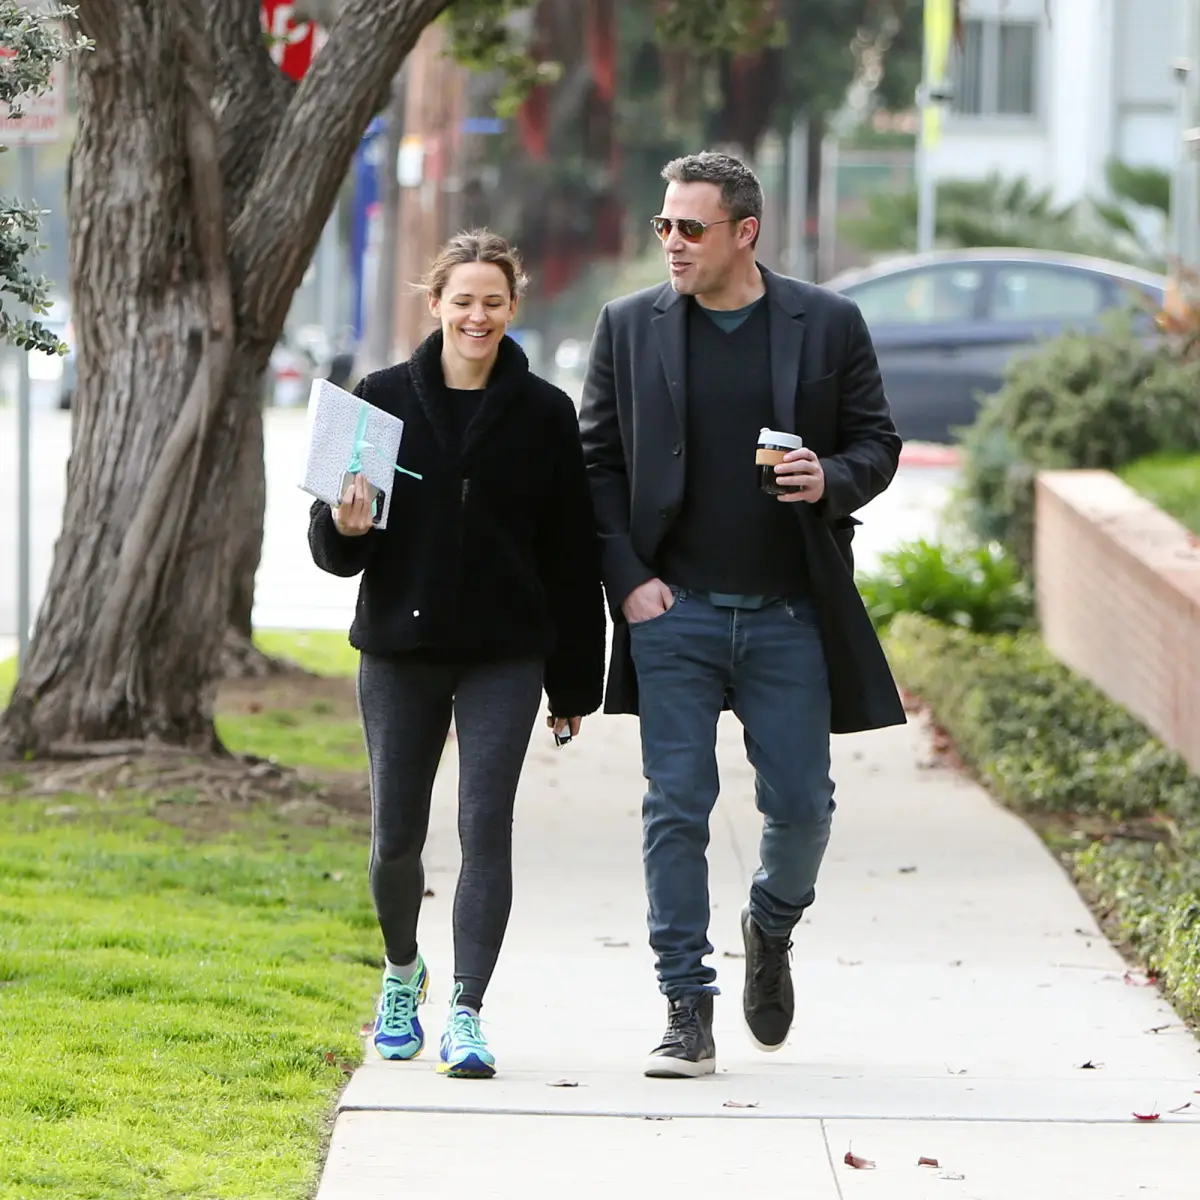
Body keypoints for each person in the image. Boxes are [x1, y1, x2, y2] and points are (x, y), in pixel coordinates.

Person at [578, 151, 906, 1078]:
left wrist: (829, 477)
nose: (673, 243)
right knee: (675, 809)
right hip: (673, 614)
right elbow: (596, 464)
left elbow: (877, 442)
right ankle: (686, 1006)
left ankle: (771, 922)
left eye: (692, 227)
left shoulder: (827, 323)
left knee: (802, 805)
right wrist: (628, 582)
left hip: (789, 614)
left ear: (745, 232)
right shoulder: (628, 326)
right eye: (664, 225)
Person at [309, 230, 605, 1079]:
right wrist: (347, 526)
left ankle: (467, 1012)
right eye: (463, 300)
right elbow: (332, 550)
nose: (478, 316)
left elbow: (570, 555)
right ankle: (402, 973)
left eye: (493, 302)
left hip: (504, 654)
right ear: (435, 303)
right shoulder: (380, 400)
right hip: (400, 649)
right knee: (396, 837)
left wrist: (574, 684)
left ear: (513, 308)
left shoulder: (545, 413)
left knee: (484, 828)